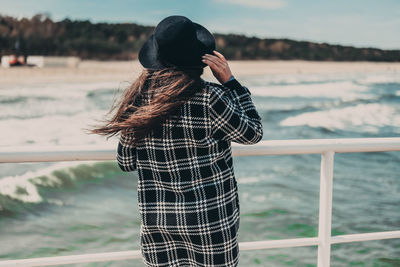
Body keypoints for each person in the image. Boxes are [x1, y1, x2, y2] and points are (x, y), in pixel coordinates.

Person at [91, 15, 263, 267]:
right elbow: (253, 132)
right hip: (210, 224)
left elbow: (126, 162)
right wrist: (231, 83)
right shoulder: (209, 97)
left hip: (159, 225)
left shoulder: (138, 100)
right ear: (199, 59)